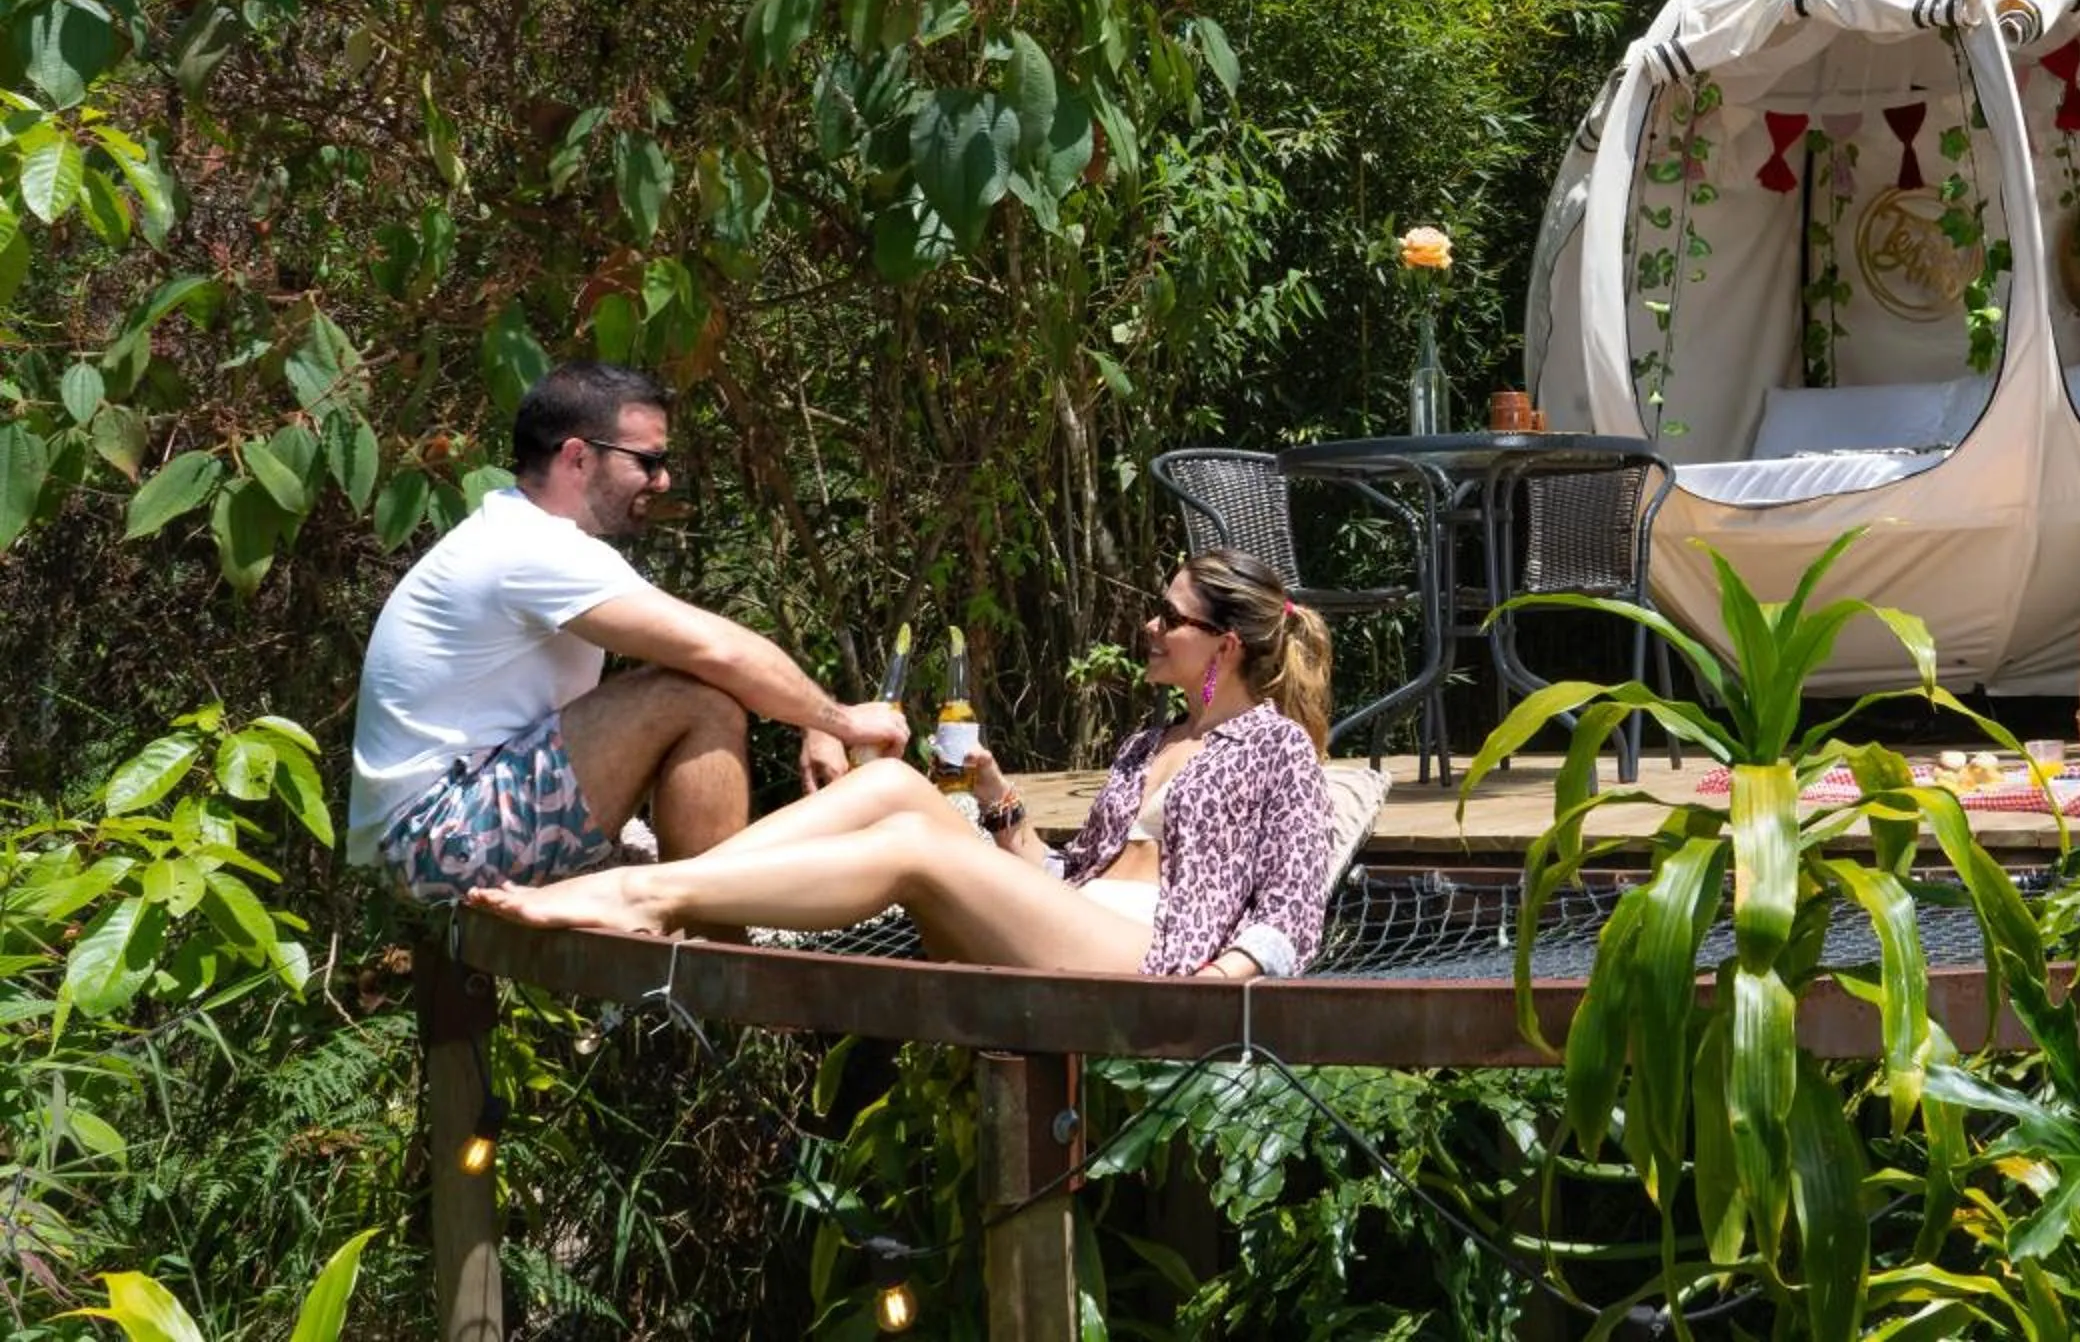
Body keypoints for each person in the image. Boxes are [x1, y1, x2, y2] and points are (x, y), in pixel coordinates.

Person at [468, 551, 1339, 977]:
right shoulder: (1146, 745)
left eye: (1169, 617)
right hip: (1076, 920)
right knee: (892, 784)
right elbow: (1061, 876)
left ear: (1224, 646)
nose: (1149, 626)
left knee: (915, 851)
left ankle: (643, 896)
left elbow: (1294, 910)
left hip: (1156, 967)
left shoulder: (1277, 748)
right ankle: (683, 885)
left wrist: (1224, 983)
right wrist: (999, 804)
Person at [348, 361, 908, 901]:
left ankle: (709, 928)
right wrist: (840, 720)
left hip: (444, 828)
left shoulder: (525, 535)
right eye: (648, 460)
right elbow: (714, 650)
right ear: (578, 458)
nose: (663, 480)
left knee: (694, 687)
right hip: (438, 841)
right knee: (693, 695)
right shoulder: (531, 548)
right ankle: (712, 952)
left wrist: (816, 721)